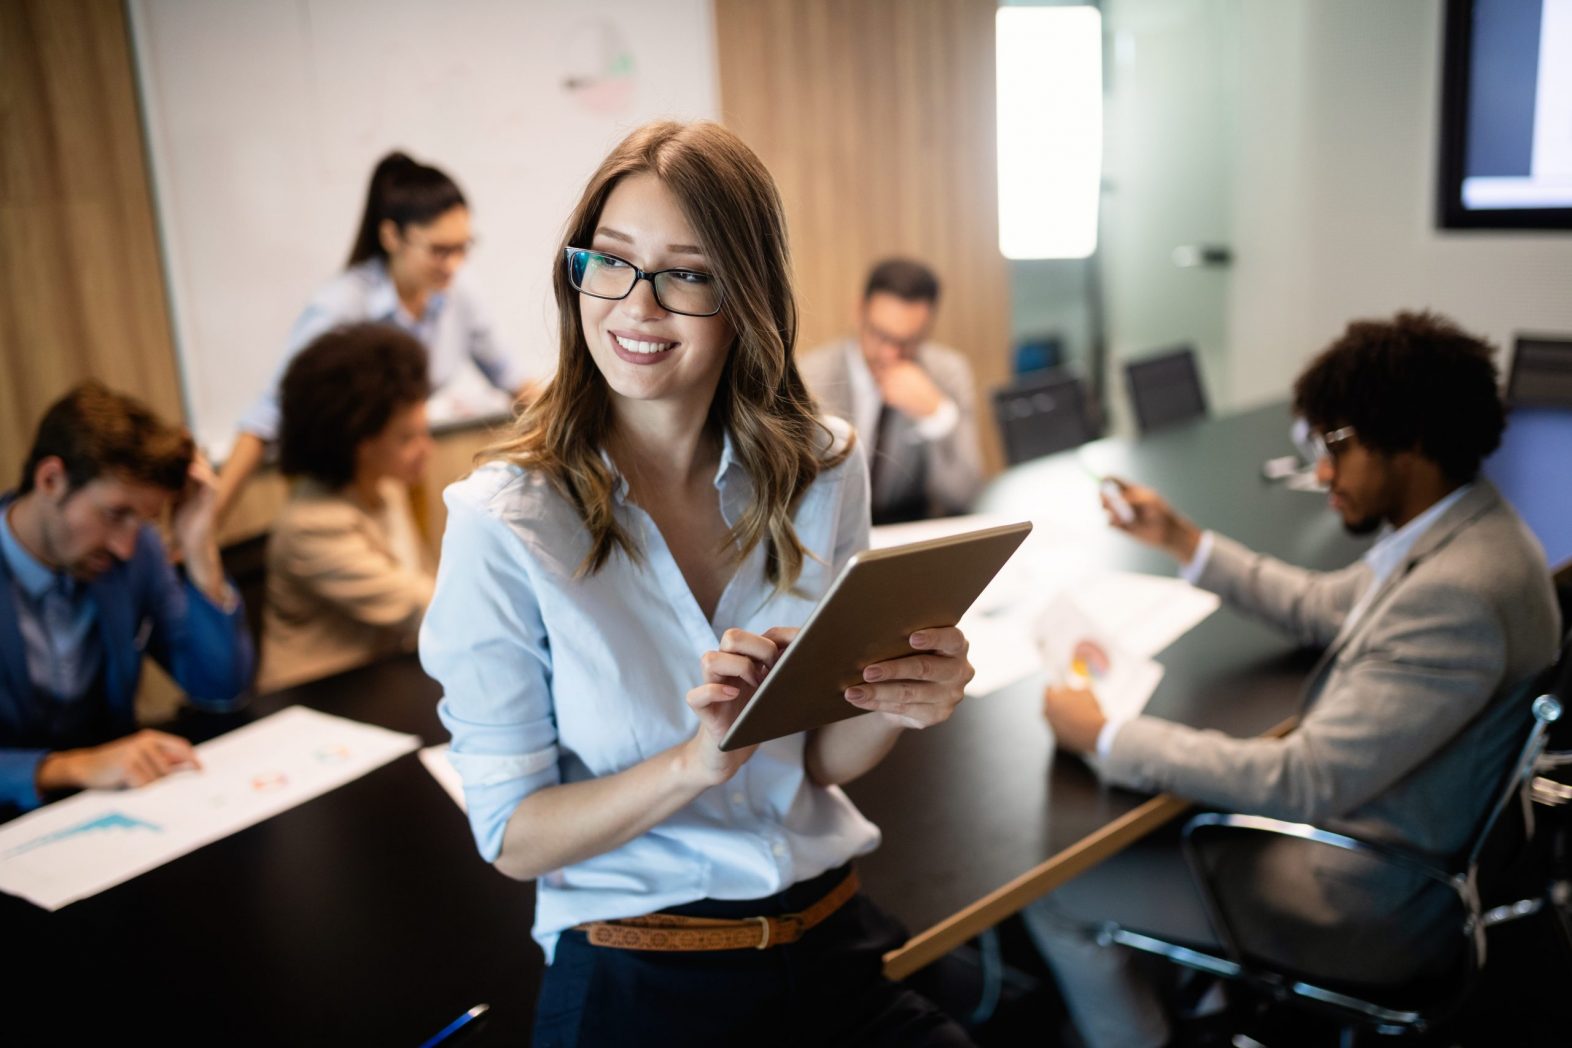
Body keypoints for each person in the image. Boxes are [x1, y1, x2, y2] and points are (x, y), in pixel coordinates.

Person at [421, 121, 978, 1046]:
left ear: (745, 296)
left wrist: (894, 702)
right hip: (643, 977)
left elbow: (812, 762)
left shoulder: (823, 466)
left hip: (830, 941)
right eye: (612, 262)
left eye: (686, 273)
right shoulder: (503, 522)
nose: (637, 308)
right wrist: (693, 765)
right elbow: (513, 836)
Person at [1026, 311, 1561, 1048]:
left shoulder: (1456, 595)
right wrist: (1182, 540)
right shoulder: (1468, 528)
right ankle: (1208, 996)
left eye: (1336, 446)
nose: (1320, 473)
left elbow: (1301, 780)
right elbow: (1321, 606)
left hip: (1371, 904)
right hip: (1419, 838)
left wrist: (1107, 734)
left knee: (1057, 892)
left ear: (1407, 441)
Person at [214, 150, 535, 523]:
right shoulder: (341, 306)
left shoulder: (459, 290)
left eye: (463, 248)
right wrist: (211, 519)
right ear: (390, 236)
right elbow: (267, 415)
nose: (454, 264)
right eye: (439, 250)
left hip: (400, 466)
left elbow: (513, 378)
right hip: (337, 483)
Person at [0, 382, 255, 815]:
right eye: (115, 514)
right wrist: (68, 768)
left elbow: (221, 688)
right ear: (51, 480)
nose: (125, 547)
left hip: (118, 811)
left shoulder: (137, 554)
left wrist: (199, 547)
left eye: (143, 521)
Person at [257, 323, 436, 691]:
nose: (426, 449)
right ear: (359, 443)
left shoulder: (387, 487)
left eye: (424, 430)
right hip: (317, 702)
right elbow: (417, 605)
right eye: (407, 438)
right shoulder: (311, 526)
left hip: (382, 685)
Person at [798, 259, 984, 524]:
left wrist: (936, 415)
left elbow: (964, 495)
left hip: (909, 530)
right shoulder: (811, 376)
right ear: (859, 311)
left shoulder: (946, 373)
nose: (890, 354)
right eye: (881, 335)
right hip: (830, 529)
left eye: (907, 341)